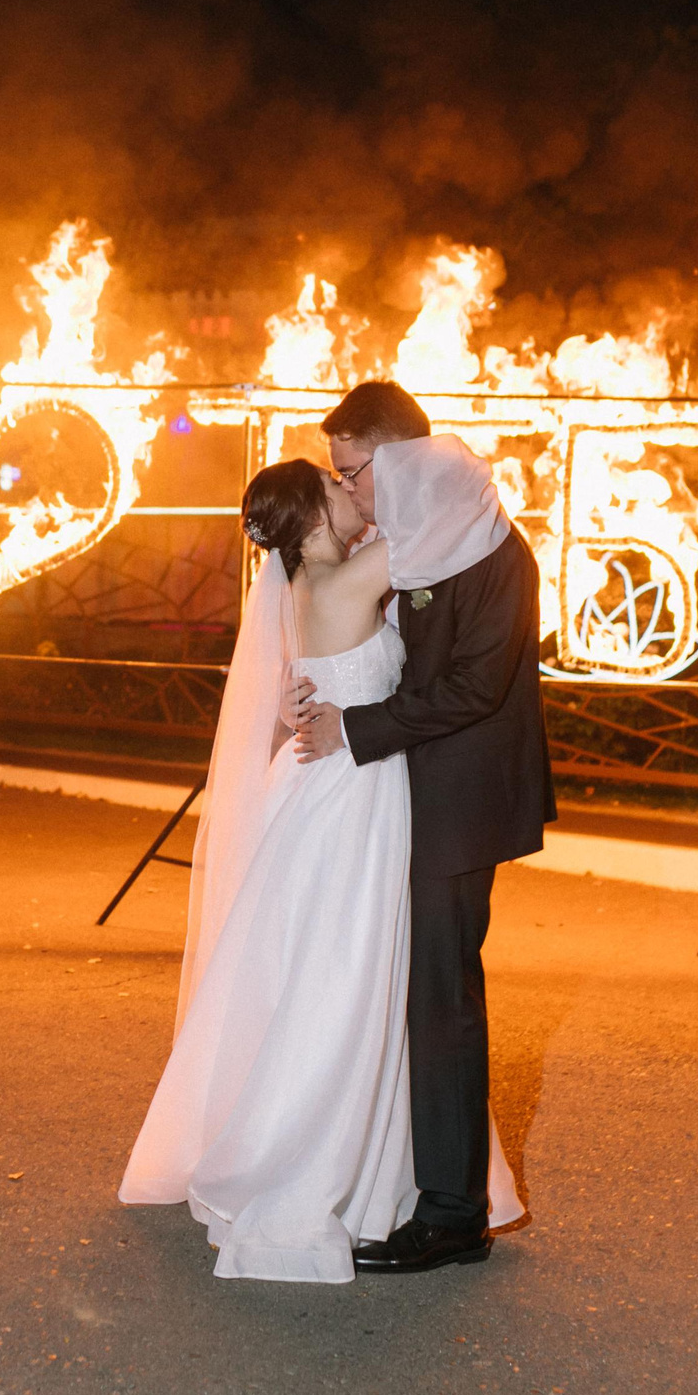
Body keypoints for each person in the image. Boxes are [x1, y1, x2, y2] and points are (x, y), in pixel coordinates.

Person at [116, 440, 522, 1283]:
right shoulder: (344, 578)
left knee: (324, 973)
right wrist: (443, 470)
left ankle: (339, 1149)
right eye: (336, 487)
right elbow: (439, 528)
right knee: (350, 975)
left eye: (352, 476)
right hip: (353, 802)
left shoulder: (305, 588)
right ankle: (321, 1158)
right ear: (306, 522)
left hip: (327, 790)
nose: (352, 493)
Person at [289, 380, 556, 1274]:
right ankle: (424, 1183)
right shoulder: (424, 539)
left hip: (461, 802)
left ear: (395, 458)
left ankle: (452, 1215)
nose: (352, 492)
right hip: (415, 791)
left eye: (353, 472)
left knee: (442, 997)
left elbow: (476, 688)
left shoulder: (493, 552)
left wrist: (356, 731)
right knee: (414, 990)